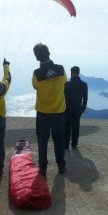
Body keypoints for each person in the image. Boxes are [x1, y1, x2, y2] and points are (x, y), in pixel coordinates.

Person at [32, 43, 67, 176]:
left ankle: (43, 168)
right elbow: (64, 83)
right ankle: (61, 165)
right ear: (49, 53)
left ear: (37, 58)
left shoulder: (37, 73)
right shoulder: (61, 69)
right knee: (59, 140)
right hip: (59, 112)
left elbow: (35, 87)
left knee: (42, 141)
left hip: (43, 113)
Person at [64, 66, 88, 149]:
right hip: (78, 109)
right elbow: (85, 98)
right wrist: (82, 109)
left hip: (67, 109)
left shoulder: (67, 84)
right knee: (76, 127)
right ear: (78, 72)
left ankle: (66, 144)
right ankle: (74, 144)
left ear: (72, 73)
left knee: (67, 127)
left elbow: (63, 97)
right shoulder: (84, 85)